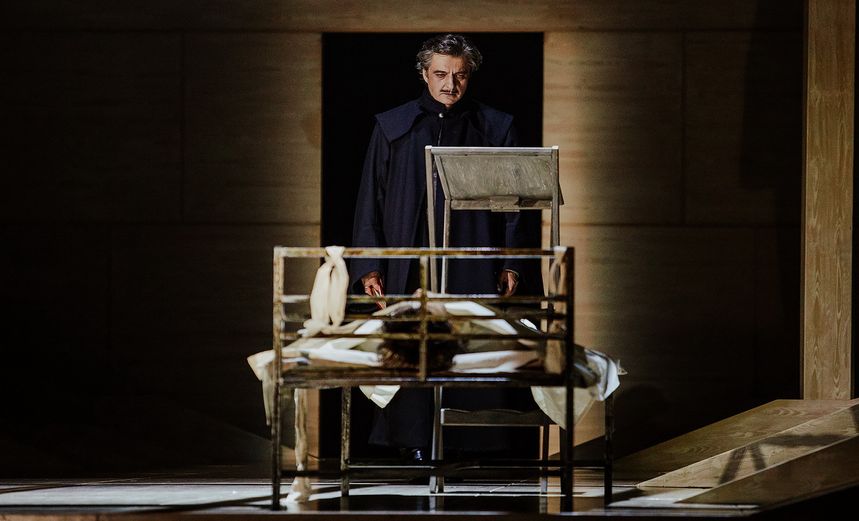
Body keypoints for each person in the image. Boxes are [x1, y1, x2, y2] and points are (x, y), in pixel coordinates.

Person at [350, 33, 541, 461]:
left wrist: (513, 262)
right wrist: (369, 264)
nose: (449, 85)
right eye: (440, 74)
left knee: (473, 340)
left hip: (474, 254)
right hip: (411, 255)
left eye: (459, 75)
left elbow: (518, 202)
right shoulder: (393, 126)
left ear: (470, 76)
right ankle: (417, 441)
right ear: (424, 73)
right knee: (413, 341)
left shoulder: (495, 127)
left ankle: (472, 441)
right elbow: (370, 199)